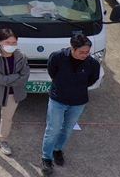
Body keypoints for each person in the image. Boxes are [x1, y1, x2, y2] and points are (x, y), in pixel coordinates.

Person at [41, 34, 100, 175]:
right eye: (82, 52)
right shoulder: (58, 57)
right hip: (57, 100)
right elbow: (52, 70)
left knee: (67, 129)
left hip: (78, 102)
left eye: (87, 52)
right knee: (52, 129)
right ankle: (46, 157)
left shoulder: (92, 64)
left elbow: (92, 79)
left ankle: (58, 149)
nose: (85, 55)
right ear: (72, 48)